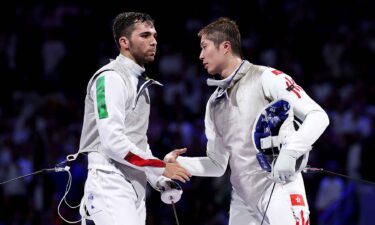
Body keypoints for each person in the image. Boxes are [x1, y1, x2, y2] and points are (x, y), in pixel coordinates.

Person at [165, 17, 329, 225]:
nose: (200, 55)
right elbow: (217, 164)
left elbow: (318, 116)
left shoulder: (266, 78)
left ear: (225, 47)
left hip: (280, 188)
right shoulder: (213, 104)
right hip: (242, 201)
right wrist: (178, 163)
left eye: (204, 47)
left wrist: (290, 152)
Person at [75, 12, 191, 225]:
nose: (154, 41)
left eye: (154, 35)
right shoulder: (109, 78)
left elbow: (137, 142)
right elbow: (113, 142)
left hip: (134, 188)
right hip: (109, 183)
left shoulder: (141, 84)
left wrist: (159, 179)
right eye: (145, 35)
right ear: (124, 42)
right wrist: (160, 166)